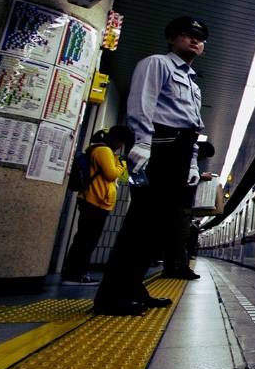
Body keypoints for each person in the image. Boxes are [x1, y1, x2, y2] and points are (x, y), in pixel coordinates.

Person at [92, 17, 208, 316]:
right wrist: (143, 142)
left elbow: (193, 126)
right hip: (161, 146)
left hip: (180, 151)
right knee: (141, 224)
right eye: (187, 35)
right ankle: (111, 296)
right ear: (171, 38)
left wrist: (193, 160)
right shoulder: (156, 64)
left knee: (159, 228)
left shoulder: (194, 84)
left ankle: (133, 288)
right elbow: (142, 102)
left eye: (200, 38)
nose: (195, 40)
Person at [60, 126, 133, 286]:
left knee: (87, 239)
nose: (121, 146)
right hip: (94, 200)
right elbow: (111, 174)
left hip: (98, 201)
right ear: (116, 139)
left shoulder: (104, 151)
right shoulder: (102, 151)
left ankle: (76, 273)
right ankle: (73, 274)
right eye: (122, 142)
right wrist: (122, 165)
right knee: (86, 240)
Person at [164, 139, 215, 278]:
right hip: (180, 205)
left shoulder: (179, 157)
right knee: (181, 236)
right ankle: (181, 268)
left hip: (177, 204)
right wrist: (200, 177)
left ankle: (169, 268)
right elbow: (182, 180)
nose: (202, 159)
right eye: (204, 156)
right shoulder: (185, 160)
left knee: (174, 237)